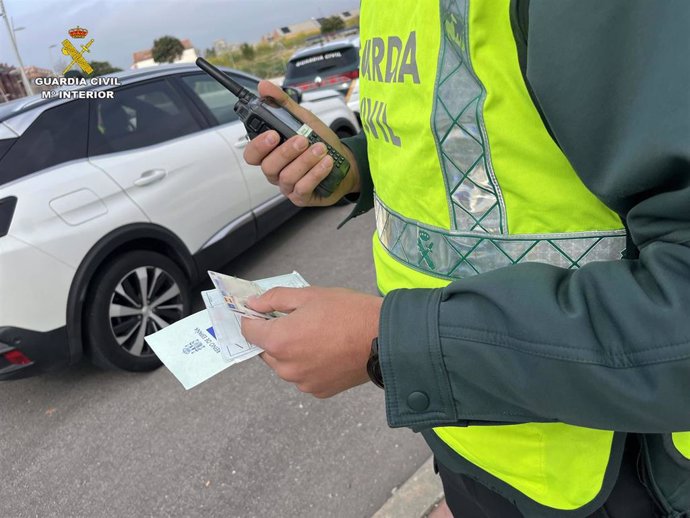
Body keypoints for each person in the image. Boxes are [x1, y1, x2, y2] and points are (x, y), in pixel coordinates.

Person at [240, 1, 690, 516]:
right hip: (466, 436)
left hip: (613, 471)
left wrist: (387, 342)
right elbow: (463, 138)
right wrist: (353, 168)